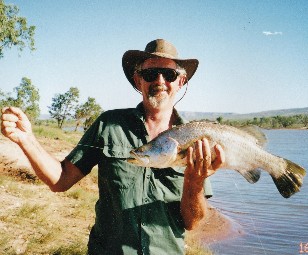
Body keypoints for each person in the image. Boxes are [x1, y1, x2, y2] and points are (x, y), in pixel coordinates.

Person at [1, 39, 225, 255]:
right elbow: (61, 180)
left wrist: (194, 184)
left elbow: (192, 223)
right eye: (149, 73)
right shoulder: (108, 124)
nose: (159, 80)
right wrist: (26, 139)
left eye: (169, 74)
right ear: (138, 81)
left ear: (180, 82)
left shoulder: (197, 139)